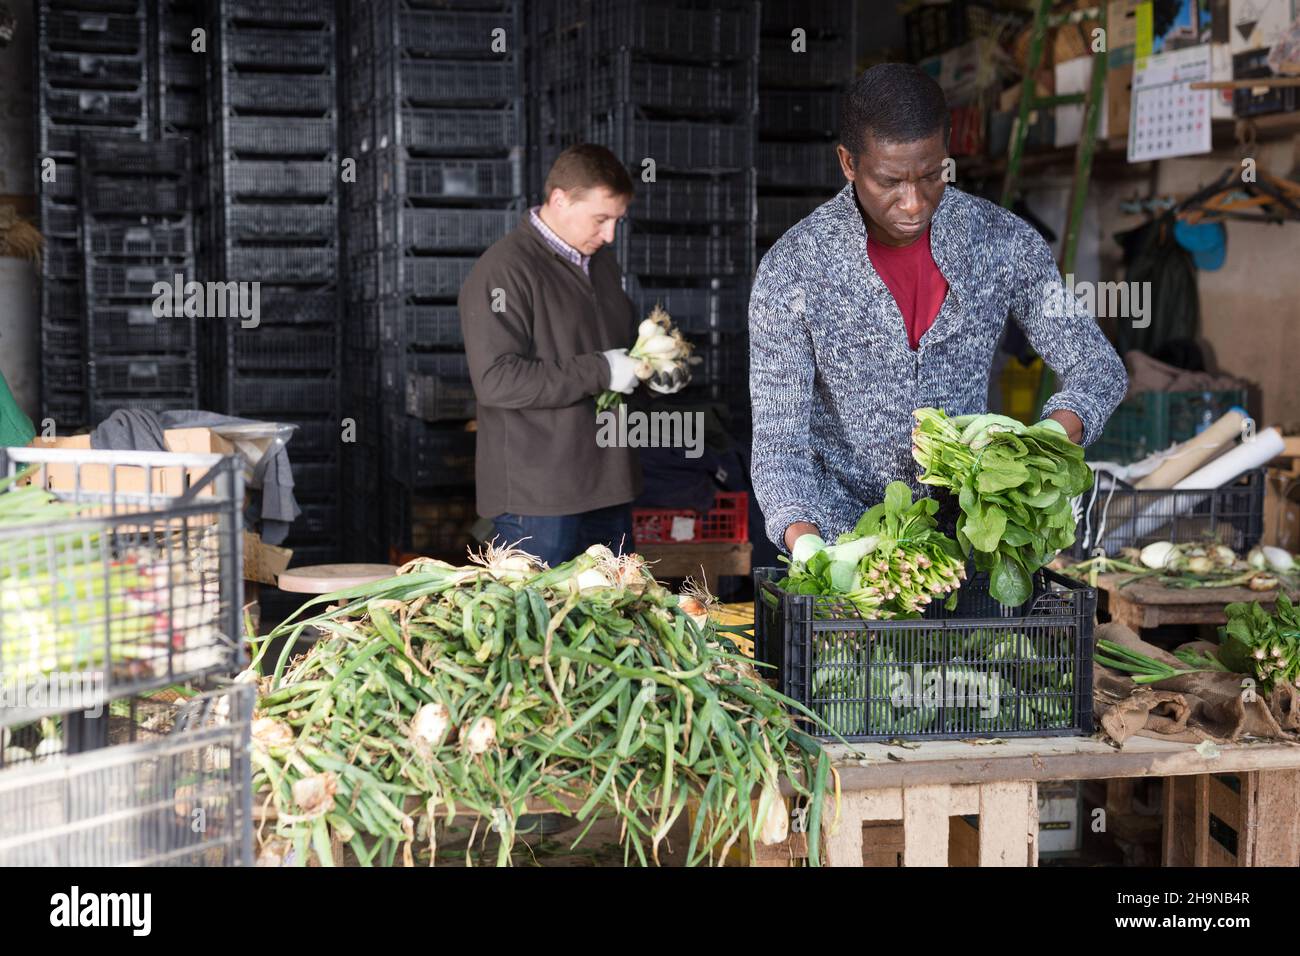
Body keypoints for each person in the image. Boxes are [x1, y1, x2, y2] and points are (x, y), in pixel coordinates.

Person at [749, 64, 1128, 554]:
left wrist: (1037, 445)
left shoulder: (1001, 243)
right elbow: (780, 446)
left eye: (931, 176)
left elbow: (1098, 368)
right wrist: (811, 549)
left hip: (972, 542)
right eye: (890, 181)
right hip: (844, 543)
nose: (913, 203)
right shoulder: (794, 269)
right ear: (848, 163)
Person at [459, 144, 649, 567]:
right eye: (601, 219)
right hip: (539, 499)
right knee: (540, 626)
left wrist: (653, 365)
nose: (610, 234)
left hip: (608, 484)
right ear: (560, 199)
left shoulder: (601, 262)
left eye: (617, 220)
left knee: (616, 621)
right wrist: (602, 370)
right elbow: (496, 379)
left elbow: (621, 342)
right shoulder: (504, 271)